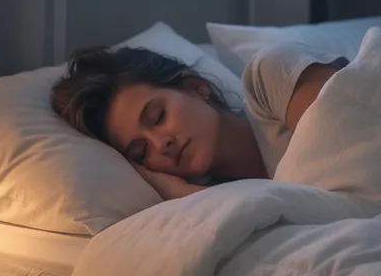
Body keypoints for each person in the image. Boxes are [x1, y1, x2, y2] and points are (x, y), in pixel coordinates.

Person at [51, 42, 348, 200]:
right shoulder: (215, 201)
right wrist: (183, 195)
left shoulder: (273, 76)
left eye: (158, 116)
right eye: (141, 152)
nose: (161, 143)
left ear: (196, 87)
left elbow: (355, 168)